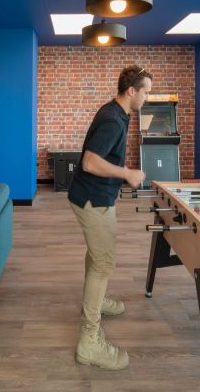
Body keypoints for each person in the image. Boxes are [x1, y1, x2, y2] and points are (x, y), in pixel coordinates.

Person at [68, 65, 152, 370]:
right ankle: (89, 342)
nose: (146, 97)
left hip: (98, 196)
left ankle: (97, 299)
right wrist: (127, 173)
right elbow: (90, 161)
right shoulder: (112, 119)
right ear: (132, 91)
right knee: (104, 262)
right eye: (145, 91)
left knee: (100, 256)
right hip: (93, 199)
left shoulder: (119, 113)